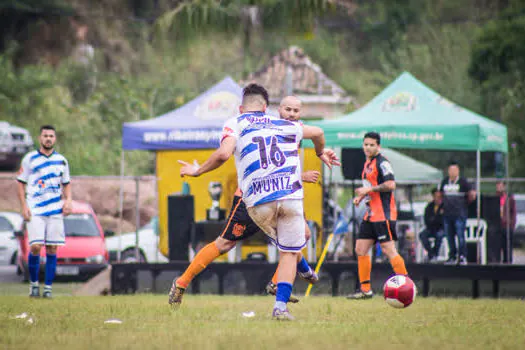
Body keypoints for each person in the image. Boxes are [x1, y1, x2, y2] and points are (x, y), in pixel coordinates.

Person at [173, 84, 339, 320]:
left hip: (261, 199)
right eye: (288, 109)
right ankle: (182, 283)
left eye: (295, 110)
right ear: (270, 108)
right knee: (229, 245)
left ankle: (280, 283)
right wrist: (320, 153)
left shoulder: (248, 123)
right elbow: (312, 137)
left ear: (242, 108)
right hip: (249, 200)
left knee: (299, 238)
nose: (292, 114)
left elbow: (267, 161)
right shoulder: (281, 124)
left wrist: (198, 170)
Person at [347, 132, 408, 300]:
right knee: (360, 249)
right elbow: (370, 186)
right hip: (371, 214)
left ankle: (407, 287)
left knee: (389, 251)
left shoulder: (383, 162)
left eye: (372, 145)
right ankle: (365, 290)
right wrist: (362, 197)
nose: (368, 147)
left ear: (378, 146)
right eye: (365, 144)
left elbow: (391, 184)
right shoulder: (367, 163)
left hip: (383, 214)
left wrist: (369, 190)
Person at [16, 125, 72, 298]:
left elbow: (67, 184)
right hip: (36, 210)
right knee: (35, 246)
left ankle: (47, 289)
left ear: (55, 139)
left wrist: (68, 200)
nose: (48, 138)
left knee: (52, 248)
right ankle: (34, 285)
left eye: (51, 136)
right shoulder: (29, 159)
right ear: (40, 138)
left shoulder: (62, 160)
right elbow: (20, 182)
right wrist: (24, 205)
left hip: (55, 210)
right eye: (45, 136)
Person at [439, 161, 476, 265]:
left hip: (459, 214)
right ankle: (452, 256)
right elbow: (440, 194)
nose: (452, 172)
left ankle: (462, 256)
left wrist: (464, 205)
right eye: (450, 170)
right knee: (449, 236)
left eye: (454, 170)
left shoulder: (463, 182)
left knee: (460, 235)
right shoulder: (445, 181)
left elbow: (471, 195)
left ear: (458, 171)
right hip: (447, 214)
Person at [419, 188, 445, 262]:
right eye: (437, 197)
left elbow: (442, 221)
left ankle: (434, 254)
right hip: (431, 228)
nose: (438, 199)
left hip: (441, 228)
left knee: (439, 235)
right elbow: (427, 219)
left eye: (440, 197)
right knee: (422, 235)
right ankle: (431, 253)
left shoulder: (445, 206)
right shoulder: (429, 206)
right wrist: (435, 219)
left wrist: (435, 219)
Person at [496, 181, 516, 263]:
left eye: (501, 186)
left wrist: (512, 224)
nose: (499, 188)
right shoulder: (494, 198)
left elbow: (513, 212)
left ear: (504, 187)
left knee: (507, 247)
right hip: (497, 226)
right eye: (498, 186)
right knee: (497, 246)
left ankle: (508, 262)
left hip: (507, 225)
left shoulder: (509, 198)